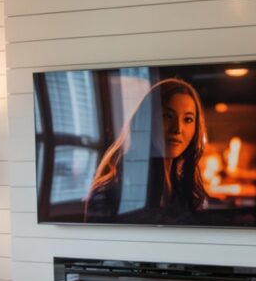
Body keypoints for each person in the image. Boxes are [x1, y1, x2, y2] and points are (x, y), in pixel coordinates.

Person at [85, 77, 208, 222]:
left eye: (187, 119)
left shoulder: (190, 195)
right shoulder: (107, 194)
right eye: (167, 116)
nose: (177, 129)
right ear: (146, 119)